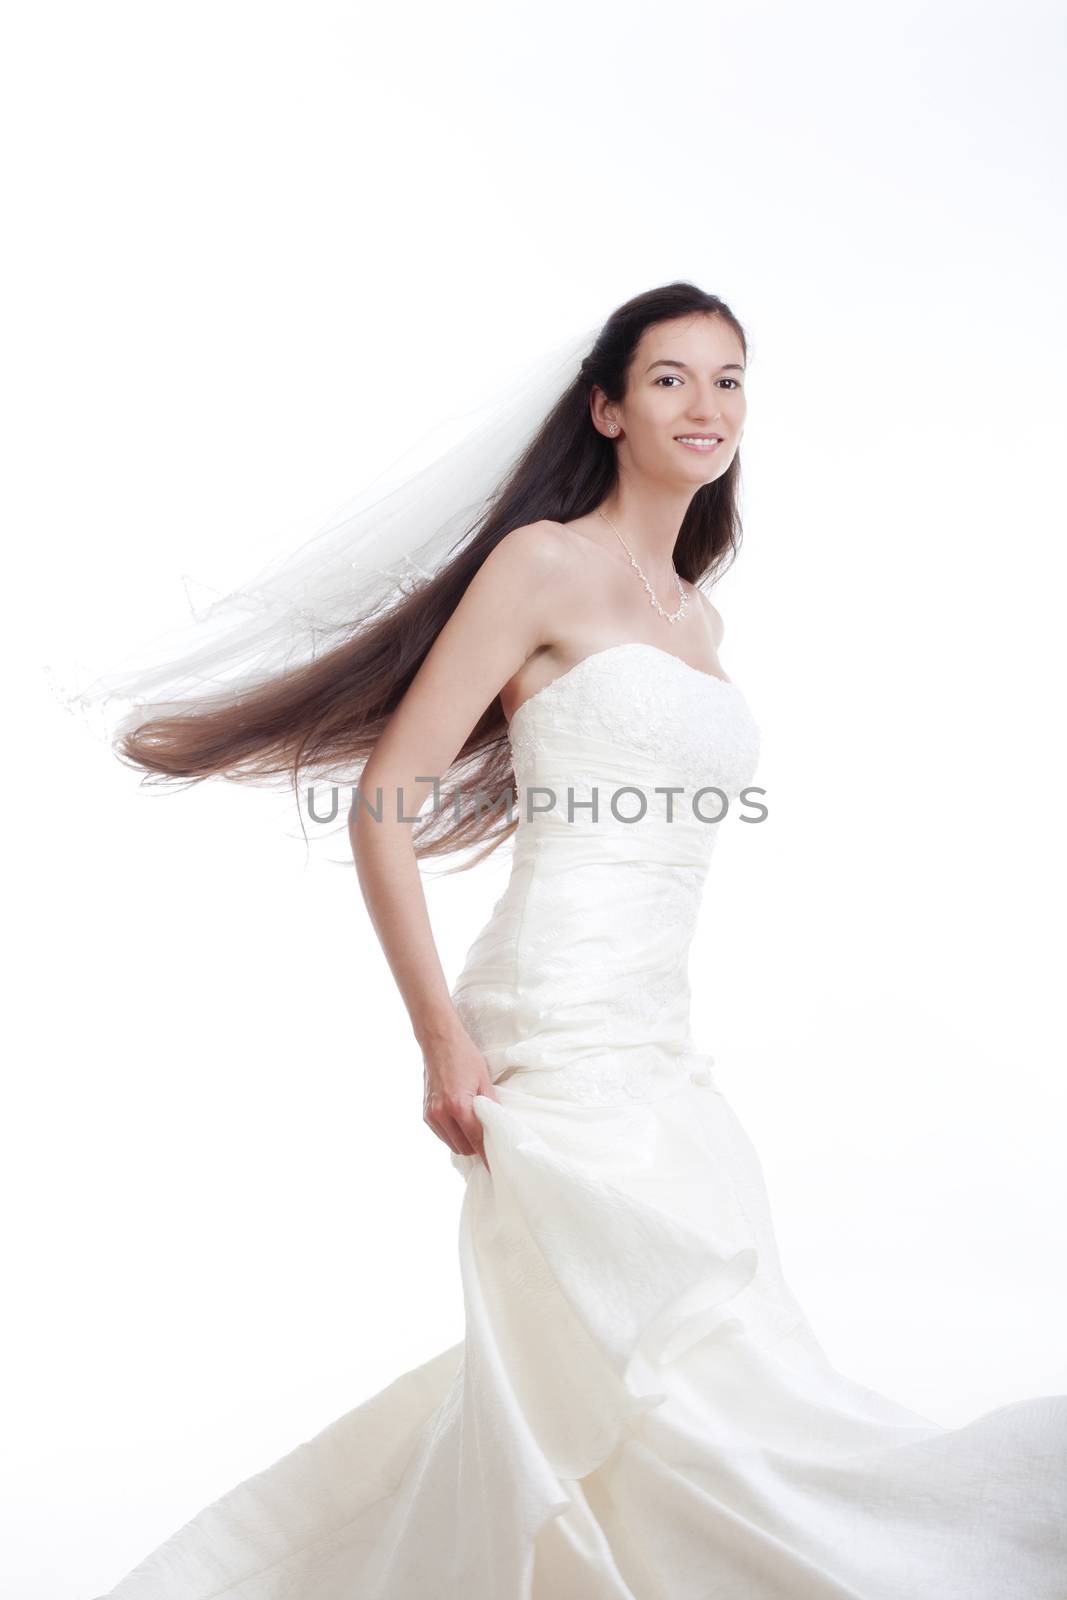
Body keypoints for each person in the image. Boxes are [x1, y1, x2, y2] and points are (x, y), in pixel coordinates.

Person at [80, 283, 1066, 1597]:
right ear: (606, 407)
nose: (705, 407)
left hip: (660, 1037)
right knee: (643, 1355)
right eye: (669, 379)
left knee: (670, 1360)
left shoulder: (697, 617)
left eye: (728, 379)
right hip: (548, 1027)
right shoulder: (544, 564)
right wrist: (442, 1040)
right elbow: (386, 807)